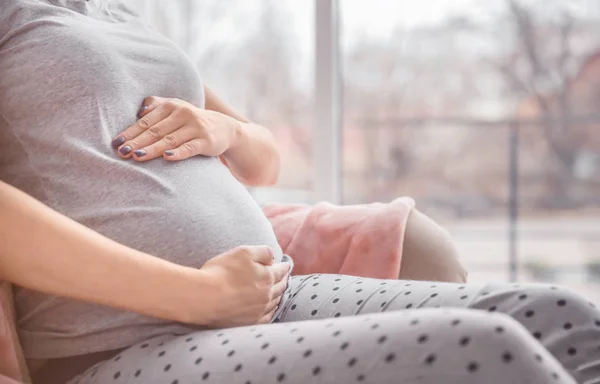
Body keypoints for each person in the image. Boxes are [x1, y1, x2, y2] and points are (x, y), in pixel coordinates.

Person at [0, 1, 598, 383]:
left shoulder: (117, 15)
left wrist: (225, 128)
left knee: (560, 314)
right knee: (484, 347)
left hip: (271, 296)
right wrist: (196, 295)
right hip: (119, 343)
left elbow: (265, 161)